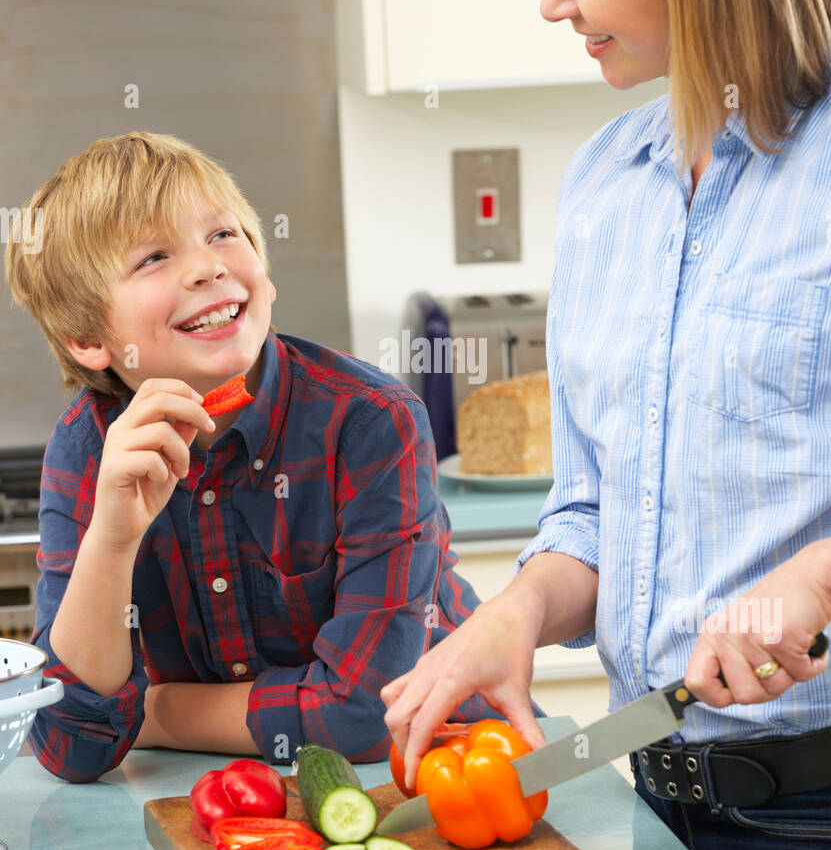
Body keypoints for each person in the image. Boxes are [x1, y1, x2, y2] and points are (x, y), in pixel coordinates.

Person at [382, 0, 831, 850]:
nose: (550, 1)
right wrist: (515, 616)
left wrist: (825, 568)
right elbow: (593, 507)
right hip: (642, 801)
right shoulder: (607, 183)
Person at [5, 131, 532, 782]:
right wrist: (112, 541)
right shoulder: (88, 447)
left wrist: (153, 711)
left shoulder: (371, 419)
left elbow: (366, 713)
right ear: (87, 339)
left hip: (448, 768)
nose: (207, 267)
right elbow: (73, 741)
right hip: (227, 793)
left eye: (223, 234)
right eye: (153, 258)